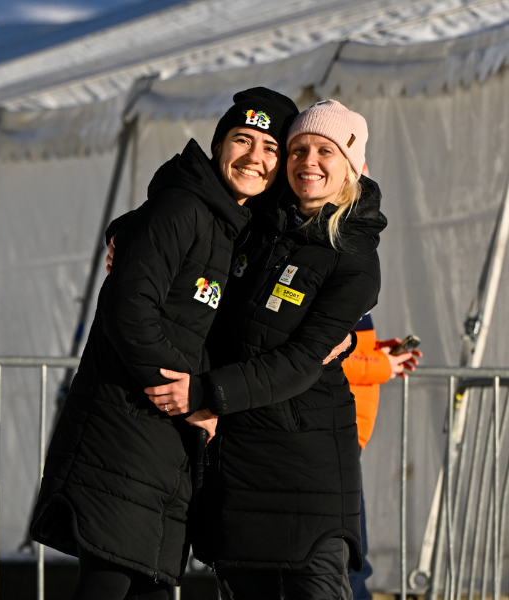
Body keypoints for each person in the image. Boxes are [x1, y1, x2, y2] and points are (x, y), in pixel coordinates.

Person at [29, 88, 298, 600]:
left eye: (270, 150)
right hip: (124, 429)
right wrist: (189, 394)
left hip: (161, 446)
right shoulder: (184, 211)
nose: (255, 158)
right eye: (243, 140)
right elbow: (128, 309)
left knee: (144, 583)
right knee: (110, 580)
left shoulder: (230, 226)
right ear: (219, 145)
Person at [144, 99, 387, 599]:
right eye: (298, 149)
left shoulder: (353, 257)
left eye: (325, 150)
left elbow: (300, 362)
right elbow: (191, 207)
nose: (308, 162)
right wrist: (128, 231)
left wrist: (206, 392)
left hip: (305, 471)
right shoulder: (258, 226)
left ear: (352, 166)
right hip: (238, 468)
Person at [342, 313, 420, 599]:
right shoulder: (329, 272)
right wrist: (379, 364)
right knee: (349, 560)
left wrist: (377, 352)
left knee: (352, 557)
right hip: (331, 441)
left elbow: (343, 349)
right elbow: (317, 357)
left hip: (345, 440)